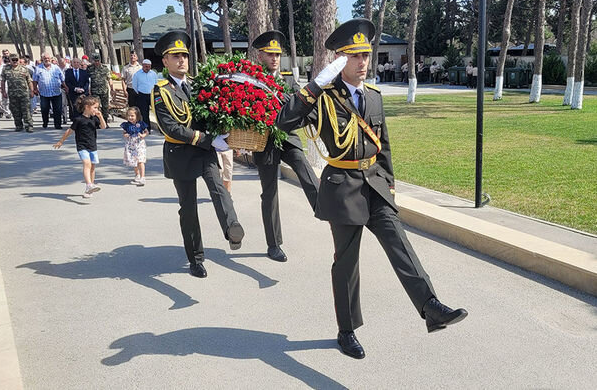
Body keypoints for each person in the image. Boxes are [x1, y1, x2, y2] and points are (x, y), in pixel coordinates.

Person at [277, 18, 468, 360]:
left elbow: (385, 148)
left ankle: (430, 307)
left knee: (400, 244)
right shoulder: (323, 98)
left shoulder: (375, 98)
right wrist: (314, 86)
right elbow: (284, 121)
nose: (363, 62)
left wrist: (391, 187)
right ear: (339, 60)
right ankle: (346, 330)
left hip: (376, 186)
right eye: (354, 56)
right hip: (342, 188)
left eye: (366, 54)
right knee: (346, 263)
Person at [152, 30, 245, 278]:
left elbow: (211, 115)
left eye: (184, 55)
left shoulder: (197, 85)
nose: (182, 60)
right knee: (189, 207)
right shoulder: (161, 90)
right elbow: (170, 127)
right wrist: (207, 139)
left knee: (218, 187)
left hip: (204, 151)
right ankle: (196, 258)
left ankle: (232, 228)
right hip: (181, 153)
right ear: (165, 61)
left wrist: (226, 132)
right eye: (176, 56)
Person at [251, 30, 319, 262]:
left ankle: (322, 205)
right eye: (270, 54)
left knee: (303, 166)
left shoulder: (289, 79)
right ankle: (274, 244)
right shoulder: (250, 80)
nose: (275, 58)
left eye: (277, 54)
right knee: (269, 193)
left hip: (287, 137)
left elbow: (302, 105)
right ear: (260, 56)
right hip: (264, 142)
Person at [53, 95, 106, 198]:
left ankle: (90, 188)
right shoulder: (79, 120)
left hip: (93, 146)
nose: (97, 110)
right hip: (82, 146)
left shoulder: (94, 119)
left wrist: (100, 116)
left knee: (92, 167)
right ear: (87, 107)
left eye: (97, 108)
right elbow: (69, 130)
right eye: (95, 107)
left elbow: (103, 127)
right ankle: (89, 185)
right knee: (87, 164)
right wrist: (61, 141)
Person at [1, 53, 34, 132]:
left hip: (24, 94)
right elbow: (2, 81)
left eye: (16, 60)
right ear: (10, 60)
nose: (15, 61)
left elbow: (29, 81)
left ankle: (29, 126)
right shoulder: (6, 69)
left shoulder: (24, 69)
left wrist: (32, 91)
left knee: (26, 110)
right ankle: (18, 125)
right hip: (12, 94)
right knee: (15, 111)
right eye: (13, 60)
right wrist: (3, 92)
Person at [33, 52, 66, 129]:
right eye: (45, 58)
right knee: (44, 109)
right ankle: (45, 122)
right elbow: (35, 80)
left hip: (56, 92)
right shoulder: (38, 68)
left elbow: (62, 79)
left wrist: (65, 86)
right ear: (42, 59)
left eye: (48, 58)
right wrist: (35, 89)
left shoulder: (56, 68)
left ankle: (58, 124)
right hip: (44, 93)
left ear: (50, 59)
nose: (47, 60)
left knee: (57, 109)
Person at [121, 106, 148, 186]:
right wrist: (125, 134)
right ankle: (137, 174)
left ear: (137, 116)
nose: (130, 117)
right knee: (134, 161)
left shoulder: (141, 124)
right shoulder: (126, 125)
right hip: (131, 144)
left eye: (132, 116)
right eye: (129, 115)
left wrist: (143, 135)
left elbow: (146, 132)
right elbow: (124, 132)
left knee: (140, 160)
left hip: (139, 143)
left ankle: (143, 177)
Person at [87, 53, 114, 126]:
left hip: (104, 91)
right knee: (96, 107)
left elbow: (109, 79)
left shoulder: (105, 68)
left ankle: (104, 122)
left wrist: (112, 89)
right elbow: (86, 79)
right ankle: (96, 122)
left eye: (98, 61)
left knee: (105, 107)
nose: (96, 62)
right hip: (95, 91)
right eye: (95, 61)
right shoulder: (89, 69)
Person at [132, 59, 157, 132]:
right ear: (142, 66)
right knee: (145, 113)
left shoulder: (153, 74)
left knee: (157, 112)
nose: (147, 68)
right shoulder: (137, 74)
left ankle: (161, 129)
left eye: (149, 67)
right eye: (146, 66)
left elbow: (156, 83)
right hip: (142, 95)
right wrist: (140, 92)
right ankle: (147, 129)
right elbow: (134, 86)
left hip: (152, 95)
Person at [0, 54, 10, 119]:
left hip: (5, 85)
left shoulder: (5, 66)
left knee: (6, 100)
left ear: (1, 59)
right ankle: (1, 110)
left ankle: (7, 113)